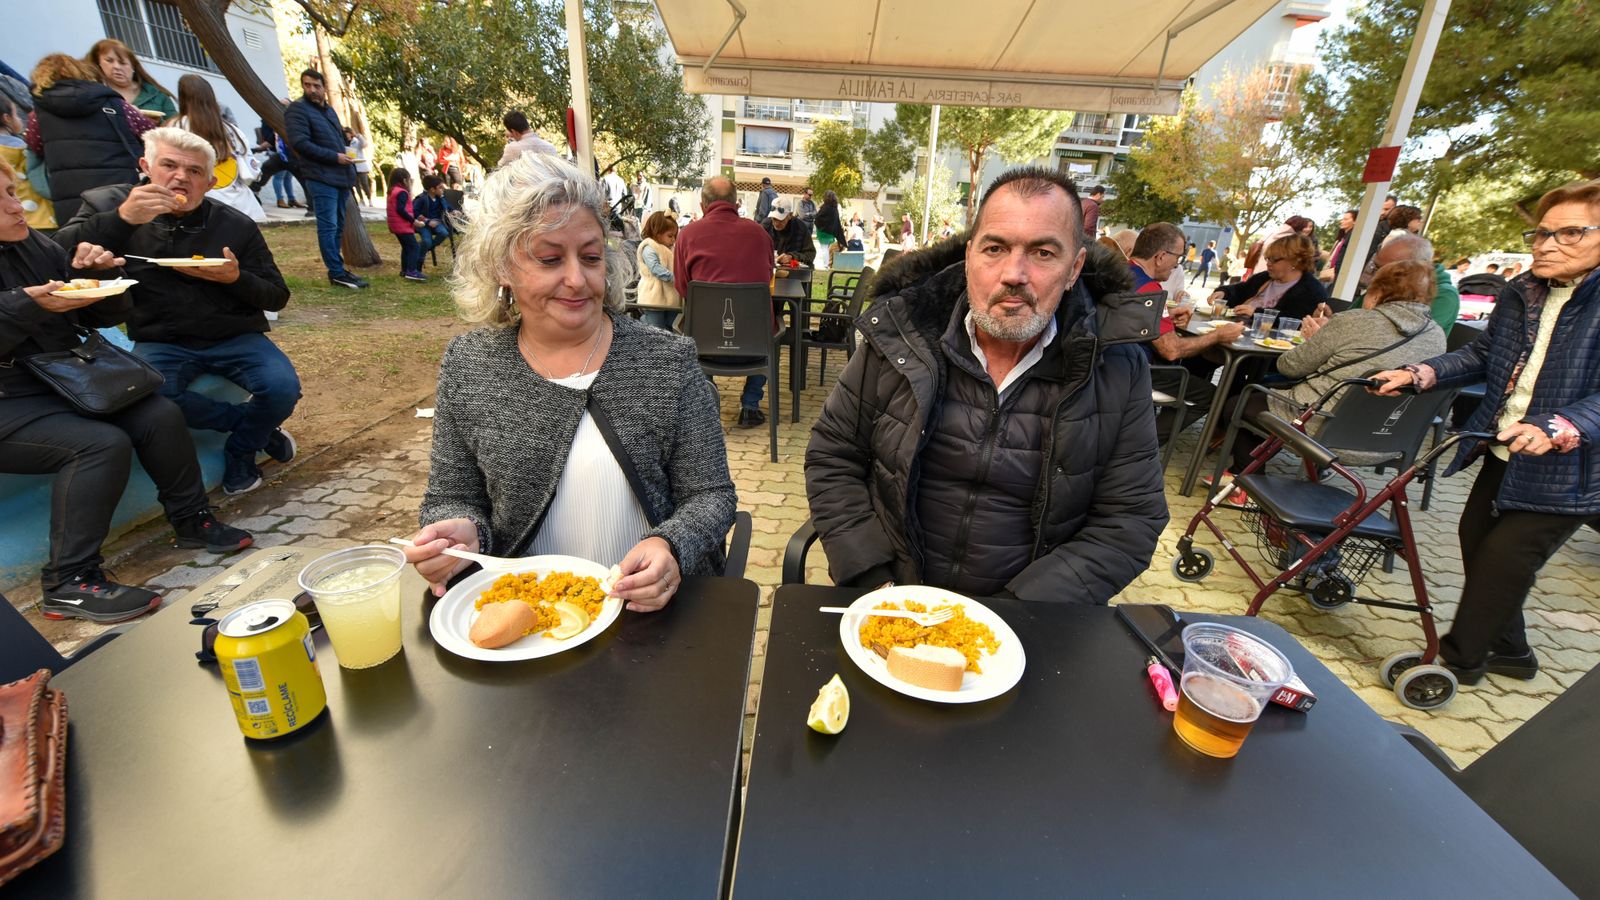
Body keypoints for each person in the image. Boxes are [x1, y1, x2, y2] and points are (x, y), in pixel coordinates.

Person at [805, 165, 1168, 602]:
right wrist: (873, 579)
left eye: (1043, 253)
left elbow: (1130, 520)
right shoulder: (900, 337)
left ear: (1074, 269)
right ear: (969, 257)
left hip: (1031, 622)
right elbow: (832, 456)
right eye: (995, 248)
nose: (1014, 273)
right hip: (891, 597)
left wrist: (1017, 613)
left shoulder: (1116, 366)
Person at [402, 153, 736, 610]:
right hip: (529, 623)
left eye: (591, 257)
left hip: (654, 618)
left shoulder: (668, 361)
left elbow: (712, 495)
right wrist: (461, 531)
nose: (577, 280)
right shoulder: (469, 365)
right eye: (549, 258)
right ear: (502, 266)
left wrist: (672, 546)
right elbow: (452, 496)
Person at [1369, 181, 1600, 685]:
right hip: (1505, 448)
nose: (1545, 244)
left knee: (1503, 558)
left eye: (1570, 233)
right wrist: (1418, 374)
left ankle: (1457, 661)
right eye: (1542, 232)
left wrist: (1560, 425)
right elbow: (1479, 355)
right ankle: (1512, 651)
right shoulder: (1523, 292)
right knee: (1477, 545)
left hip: (1571, 468)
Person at [0, 158, 252, 621]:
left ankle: (191, 519)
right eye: (1, 201)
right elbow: (21, 316)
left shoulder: (31, 244)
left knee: (157, 414)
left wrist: (103, 280)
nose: (16, 208)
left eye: (12, 193)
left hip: (58, 381)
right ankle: (68, 581)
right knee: (99, 445)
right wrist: (23, 304)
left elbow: (87, 313)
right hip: (9, 403)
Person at [55, 127, 299, 495]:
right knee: (151, 401)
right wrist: (123, 219)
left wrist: (234, 278)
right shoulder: (108, 205)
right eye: (169, 165)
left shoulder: (235, 225)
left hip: (234, 335)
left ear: (210, 181)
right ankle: (253, 428)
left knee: (282, 387)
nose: (180, 177)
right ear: (146, 166)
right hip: (160, 339)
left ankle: (241, 450)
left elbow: (277, 296)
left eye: (194, 171)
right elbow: (54, 257)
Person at [1220, 259, 1446, 480]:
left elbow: (1290, 367)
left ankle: (1247, 481)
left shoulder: (1353, 321)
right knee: (1272, 398)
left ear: (1378, 292)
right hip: (1389, 440)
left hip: (1323, 428)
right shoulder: (1437, 336)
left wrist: (1315, 341)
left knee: (1240, 402)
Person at [672, 175, 776, 428]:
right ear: (736, 204)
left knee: (695, 325)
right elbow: (769, 276)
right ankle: (750, 405)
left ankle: (709, 403)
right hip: (754, 344)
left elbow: (683, 288)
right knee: (771, 327)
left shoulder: (687, 235)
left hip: (704, 345)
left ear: (702, 205)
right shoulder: (759, 233)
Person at [1130, 223, 1245, 435]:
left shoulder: (1122, 273)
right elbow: (1171, 350)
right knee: (1209, 395)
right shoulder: (1150, 291)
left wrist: (1165, 318)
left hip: (1108, 362)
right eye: (1178, 257)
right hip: (1136, 370)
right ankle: (1140, 446)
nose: (1177, 264)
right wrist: (1218, 335)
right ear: (1161, 256)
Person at [25, 54, 156, 223]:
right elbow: (150, 133)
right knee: (131, 245)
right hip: (120, 192)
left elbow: (35, 150)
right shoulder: (114, 104)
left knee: (83, 246)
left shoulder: (37, 115)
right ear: (82, 72)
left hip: (71, 199)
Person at [285, 69, 365, 290]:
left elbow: (338, 140)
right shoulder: (298, 110)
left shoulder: (328, 111)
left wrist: (346, 155)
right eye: (307, 85)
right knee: (328, 226)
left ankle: (339, 269)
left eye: (316, 85)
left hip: (340, 177)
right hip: (320, 176)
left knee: (338, 225)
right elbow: (300, 143)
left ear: (323, 87)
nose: (312, 89)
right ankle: (336, 272)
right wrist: (334, 157)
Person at [172, 75, 263, 222]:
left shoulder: (176, 127)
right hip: (242, 205)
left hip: (201, 203)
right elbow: (252, 170)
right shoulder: (232, 130)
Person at [1208, 232, 1328, 320]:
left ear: (1296, 260)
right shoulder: (1265, 278)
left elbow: (1294, 320)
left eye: (1274, 260)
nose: (1268, 264)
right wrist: (1223, 293)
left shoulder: (1311, 290)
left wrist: (1256, 313)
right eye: (1268, 259)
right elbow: (1240, 290)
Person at [86, 38, 175, 122]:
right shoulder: (92, 93)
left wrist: (158, 123)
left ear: (133, 66)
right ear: (99, 63)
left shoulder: (158, 95)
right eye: (109, 61)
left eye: (123, 63)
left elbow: (178, 130)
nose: (116, 67)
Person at [0, 95, 52, 230]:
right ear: (7, 118)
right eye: (16, 115)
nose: (20, 119)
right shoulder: (24, 149)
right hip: (43, 218)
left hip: (8, 223)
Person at [634, 211, 680, 330]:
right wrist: (675, 278)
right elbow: (655, 268)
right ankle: (644, 321)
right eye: (670, 236)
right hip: (653, 294)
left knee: (672, 322)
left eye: (675, 236)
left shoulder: (670, 249)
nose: (673, 240)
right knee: (657, 326)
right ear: (657, 234)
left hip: (669, 294)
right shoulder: (649, 247)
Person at [386, 167, 426, 282]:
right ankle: (412, 271)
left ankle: (404, 270)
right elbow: (401, 210)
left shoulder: (392, 190)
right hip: (402, 225)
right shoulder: (402, 192)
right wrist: (414, 221)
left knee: (406, 248)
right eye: (409, 180)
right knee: (414, 247)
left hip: (395, 225)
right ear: (404, 180)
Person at [412, 174, 454, 259]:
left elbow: (447, 207)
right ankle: (419, 263)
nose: (443, 189)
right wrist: (428, 221)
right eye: (440, 187)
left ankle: (425, 248)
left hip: (437, 222)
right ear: (432, 189)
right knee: (427, 241)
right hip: (424, 225)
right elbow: (415, 213)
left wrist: (454, 211)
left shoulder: (440, 198)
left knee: (444, 233)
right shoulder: (421, 199)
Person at [764, 203, 815, 268]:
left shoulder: (801, 228)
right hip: (769, 270)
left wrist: (792, 257)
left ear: (790, 215)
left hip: (795, 272)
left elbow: (810, 254)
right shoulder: (765, 227)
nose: (776, 223)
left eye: (781, 220)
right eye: (774, 219)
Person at [1323, 208, 1358, 282]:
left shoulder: (1352, 237)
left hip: (1336, 274)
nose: (1342, 221)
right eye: (1342, 219)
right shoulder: (1342, 237)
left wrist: (1336, 271)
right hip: (1329, 272)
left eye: (1346, 219)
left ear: (1355, 221)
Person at [343, 127, 373, 205]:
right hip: (352, 165)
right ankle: (361, 199)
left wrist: (358, 135)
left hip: (360, 165)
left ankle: (369, 199)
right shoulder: (344, 142)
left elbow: (364, 144)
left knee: (364, 184)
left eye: (347, 133)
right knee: (356, 184)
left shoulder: (356, 141)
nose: (346, 135)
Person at [814, 190, 844, 267]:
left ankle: (826, 264)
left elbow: (818, 217)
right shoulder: (834, 208)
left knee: (824, 249)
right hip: (830, 232)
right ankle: (827, 263)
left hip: (823, 231)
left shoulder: (825, 207)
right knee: (826, 248)